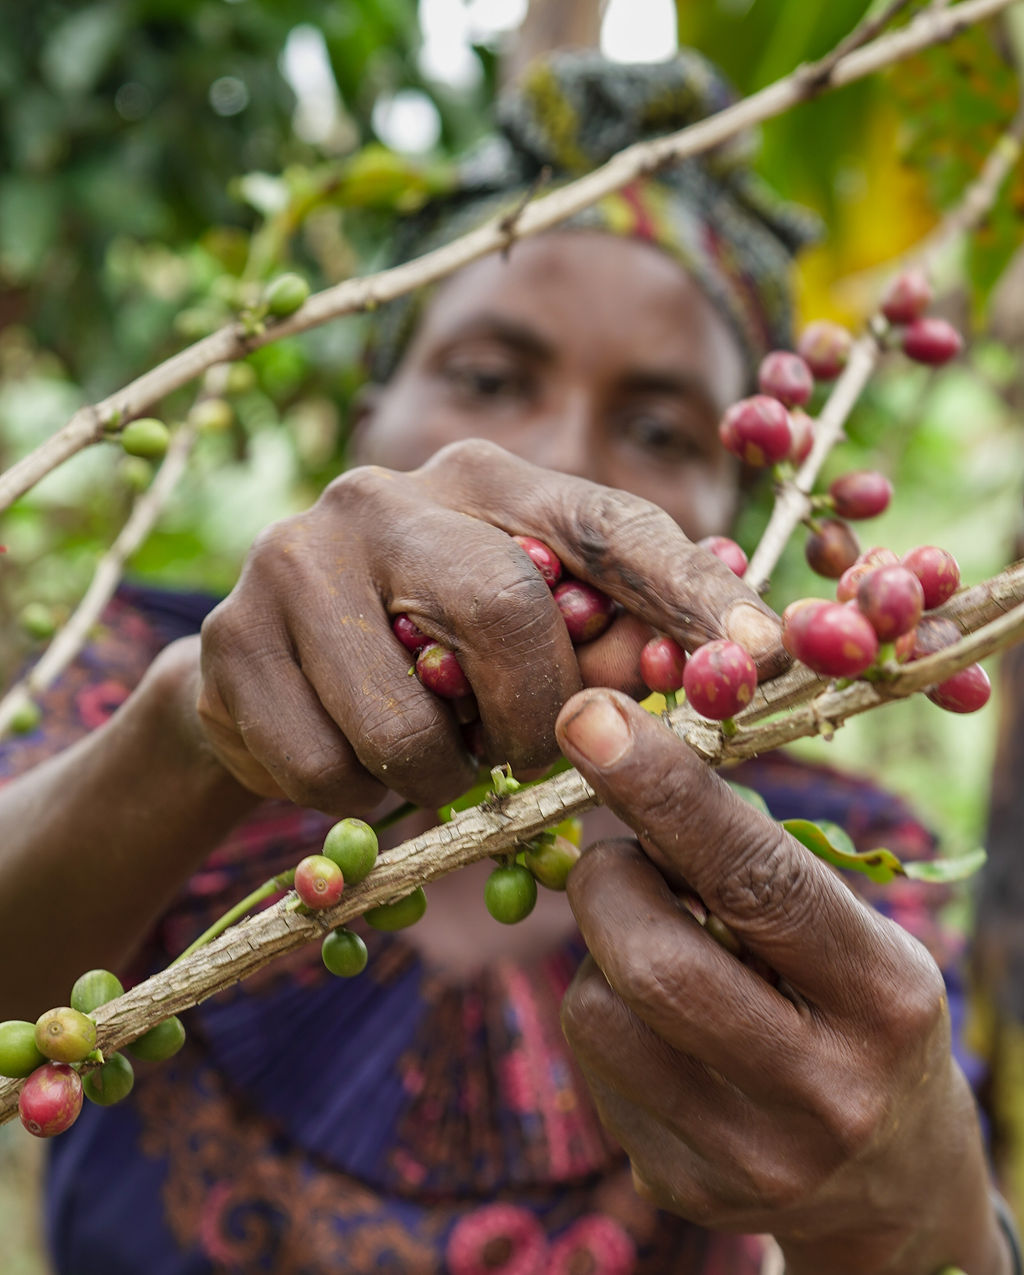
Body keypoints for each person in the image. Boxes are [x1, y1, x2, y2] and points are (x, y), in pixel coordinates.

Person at [0, 49, 1019, 1275]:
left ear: (738, 519)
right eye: (485, 378)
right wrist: (181, 742)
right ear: (357, 430)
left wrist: (911, 1212)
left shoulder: (845, 870)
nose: (559, 458)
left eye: (657, 426)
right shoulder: (147, 673)